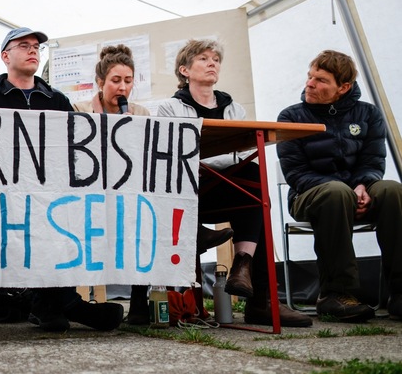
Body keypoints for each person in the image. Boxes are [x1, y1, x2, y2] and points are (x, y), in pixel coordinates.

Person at [0, 27, 125, 333]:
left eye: (36, 47)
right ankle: (63, 303)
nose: (32, 51)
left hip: (51, 195)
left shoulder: (56, 99)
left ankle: (54, 303)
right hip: (4, 197)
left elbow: (74, 147)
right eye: (23, 45)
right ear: (5, 56)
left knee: (63, 219)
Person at [73, 44, 233, 325]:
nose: (122, 87)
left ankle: (139, 301)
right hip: (94, 193)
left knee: (145, 212)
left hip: (132, 194)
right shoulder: (79, 109)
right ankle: (193, 233)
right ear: (100, 83)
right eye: (115, 81)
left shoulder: (141, 112)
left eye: (128, 81)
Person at [157, 39, 311, 327]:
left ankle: (244, 269)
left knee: (255, 185)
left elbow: (241, 156)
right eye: (203, 58)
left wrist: (220, 162)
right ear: (185, 70)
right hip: (189, 191)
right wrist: (220, 161)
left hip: (226, 187)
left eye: (216, 58)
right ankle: (258, 299)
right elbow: (173, 157)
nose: (212, 63)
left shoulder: (234, 109)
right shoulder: (169, 107)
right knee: (250, 188)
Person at [277, 50, 402, 322]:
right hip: (308, 197)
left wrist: (364, 186)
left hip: (357, 193)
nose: (309, 83)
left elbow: (373, 161)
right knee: (336, 193)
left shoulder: (368, 114)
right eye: (310, 77)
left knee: (392, 190)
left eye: (320, 80)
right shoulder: (291, 116)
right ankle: (336, 294)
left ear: (343, 88)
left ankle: (400, 293)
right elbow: (296, 173)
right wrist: (347, 189)